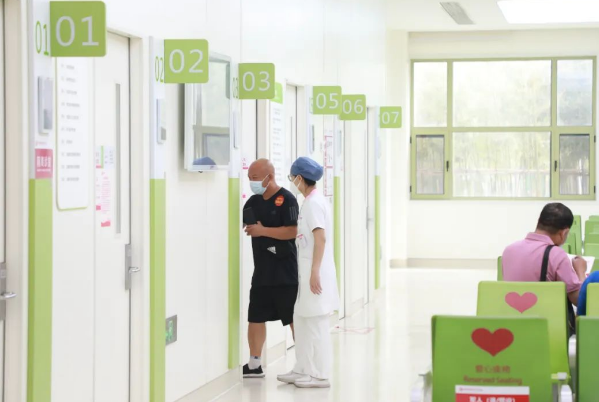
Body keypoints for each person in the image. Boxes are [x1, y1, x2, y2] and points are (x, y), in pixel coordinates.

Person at [277, 157, 339, 389]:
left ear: (300, 178)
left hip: (315, 273)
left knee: (316, 323)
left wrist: (314, 271)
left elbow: (320, 238)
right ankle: (302, 368)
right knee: (301, 319)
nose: (292, 181)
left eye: (292, 178)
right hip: (306, 272)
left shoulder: (314, 204)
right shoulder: (310, 201)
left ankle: (320, 375)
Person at [242, 159, 299, 378]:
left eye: (255, 178)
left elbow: (292, 231)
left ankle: (304, 364)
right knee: (255, 316)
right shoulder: (252, 203)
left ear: (270, 177)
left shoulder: (287, 200)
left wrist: (263, 230)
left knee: (293, 318)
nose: (252, 182)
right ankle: (254, 364)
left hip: (285, 272)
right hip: (262, 272)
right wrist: (255, 230)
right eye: (249, 178)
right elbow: (250, 227)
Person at [502, 203, 587, 307]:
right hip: (545, 315)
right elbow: (579, 300)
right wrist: (580, 271)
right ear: (564, 233)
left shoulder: (509, 250)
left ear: (539, 222)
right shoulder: (556, 254)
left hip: (512, 314)